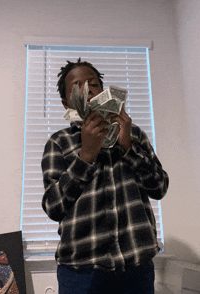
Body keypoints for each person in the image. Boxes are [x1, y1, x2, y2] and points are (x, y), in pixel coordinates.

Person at [41, 58, 169, 294]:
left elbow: (160, 187)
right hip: (81, 272)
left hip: (137, 266)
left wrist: (129, 147)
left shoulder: (134, 134)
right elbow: (53, 207)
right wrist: (86, 155)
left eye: (93, 83)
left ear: (104, 91)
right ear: (65, 103)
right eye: (77, 87)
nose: (88, 89)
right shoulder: (58, 142)